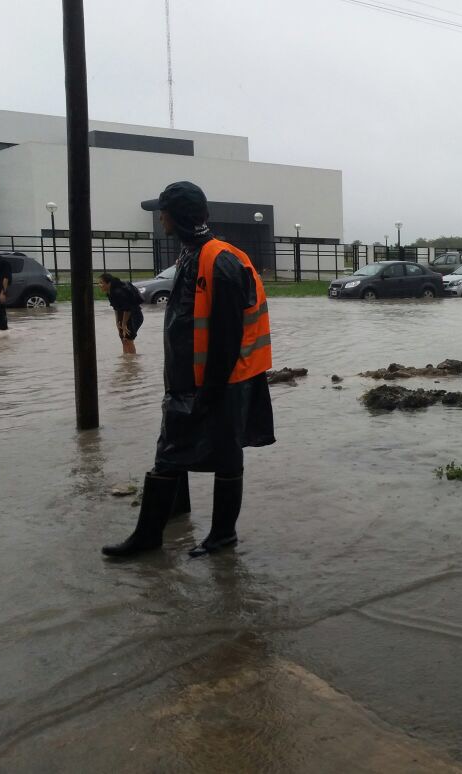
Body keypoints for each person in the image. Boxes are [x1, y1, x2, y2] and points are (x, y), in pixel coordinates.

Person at [102, 181, 275, 558]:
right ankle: (206, 532)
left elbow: (227, 336)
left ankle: (160, 537)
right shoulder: (192, 254)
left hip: (216, 383)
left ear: (174, 215)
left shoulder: (219, 260)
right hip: (200, 381)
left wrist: (209, 393)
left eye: (162, 211)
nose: (159, 217)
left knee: (173, 454)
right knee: (210, 453)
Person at [97, 273, 144, 354]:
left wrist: (124, 324)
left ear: (109, 283)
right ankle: (126, 361)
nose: (99, 285)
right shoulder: (109, 292)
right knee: (123, 339)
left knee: (128, 339)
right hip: (123, 316)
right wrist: (117, 322)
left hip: (134, 316)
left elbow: (128, 309)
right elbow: (116, 308)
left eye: (101, 283)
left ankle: (132, 363)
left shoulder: (118, 292)